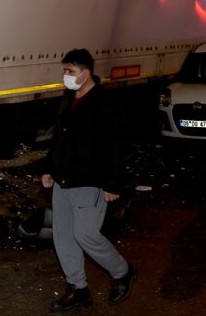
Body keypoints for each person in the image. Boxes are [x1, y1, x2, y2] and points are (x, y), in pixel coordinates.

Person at [42, 49, 136, 311]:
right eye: (64, 71)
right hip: (63, 179)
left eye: (70, 72)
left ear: (86, 73)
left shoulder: (105, 103)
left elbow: (115, 146)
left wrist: (113, 185)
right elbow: (58, 138)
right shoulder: (69, 97)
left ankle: (123, 271)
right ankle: (78, 288)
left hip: (90, 181)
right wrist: (49, 167)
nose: (65, 76)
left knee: (85, 234)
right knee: (63, 237)